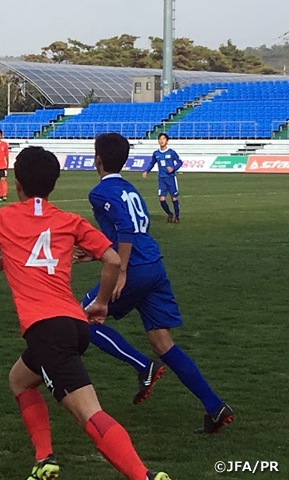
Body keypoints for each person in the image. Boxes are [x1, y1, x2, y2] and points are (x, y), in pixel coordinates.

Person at [0, 146, 170, 480]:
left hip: (47, 330)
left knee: (87, 413)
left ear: (17, 184)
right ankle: (44, 458)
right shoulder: (69, 221)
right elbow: (112, 260)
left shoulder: (2, 219)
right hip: (74, 324)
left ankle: (143, 475)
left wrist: (12, 256)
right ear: (53, 185)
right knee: (19, 380)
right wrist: (102, 302)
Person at [77, 133, 233, 434]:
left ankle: (142, 366)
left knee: (82, 319)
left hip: (133, 268)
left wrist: (120, 269)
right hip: (153, 266)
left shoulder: (99, 193)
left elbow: (125, 228)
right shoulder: (129, 188)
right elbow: (137, 225)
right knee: (163, 342)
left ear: (97, 159)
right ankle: (215, 407)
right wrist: (97, 253)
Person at [142, 133, 182, 223]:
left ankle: (177, 217)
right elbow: (152, 163)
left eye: (163, 139)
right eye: (160, 139)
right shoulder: (156, 153)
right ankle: (169, 213)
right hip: (161, 179)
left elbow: (179, 162)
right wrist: (146, 171)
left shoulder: (171, 152)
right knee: (162, 199)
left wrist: (173, 169)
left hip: (171, 178)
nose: (161, 141)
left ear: (167, 141)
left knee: (174, 198)